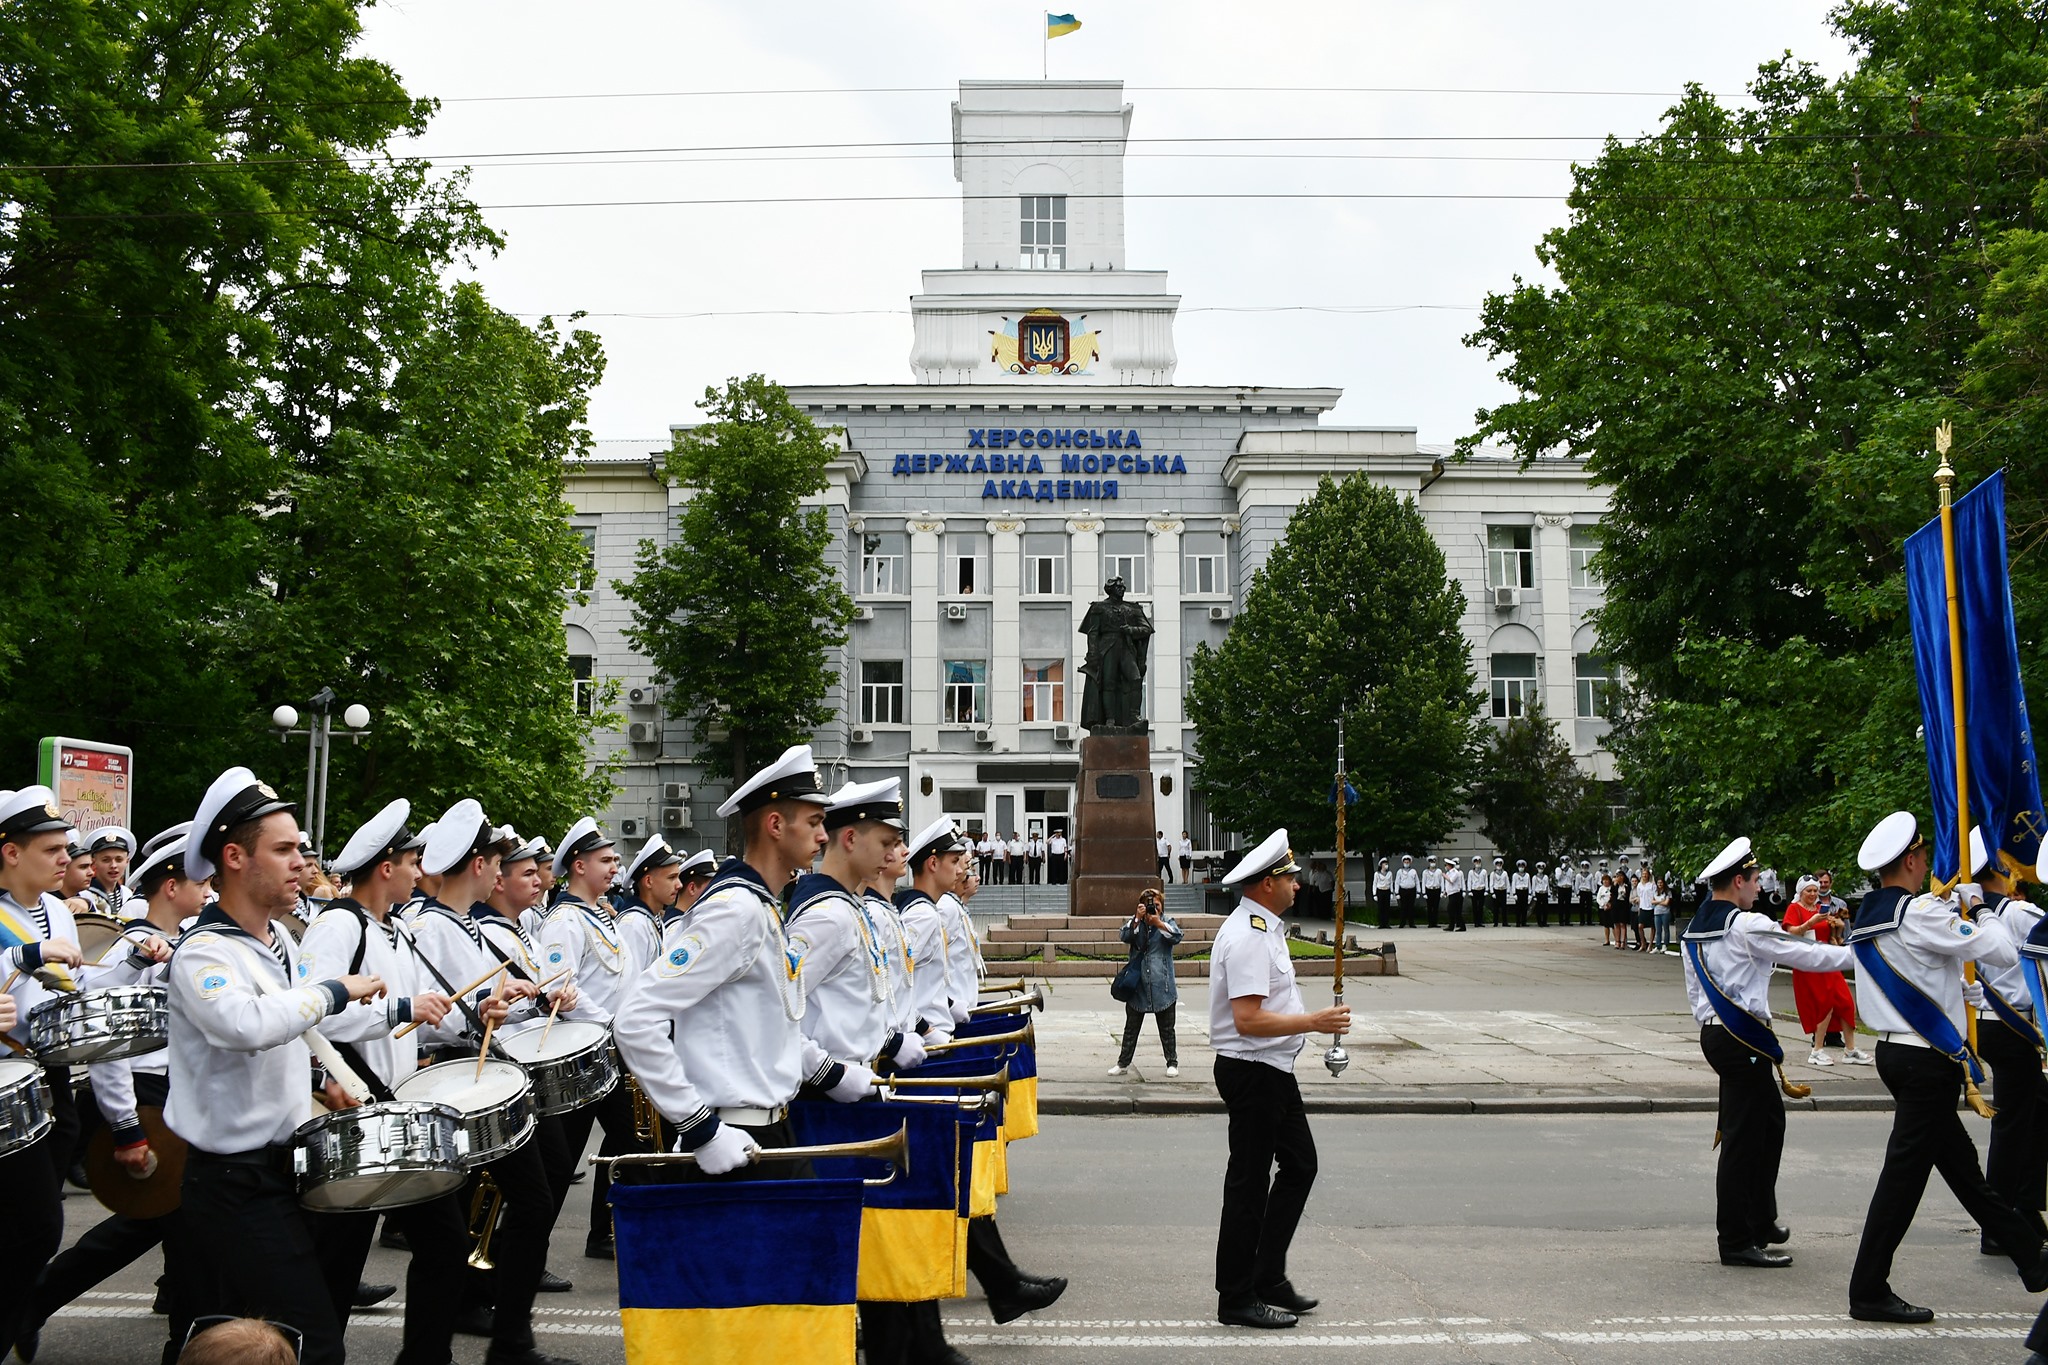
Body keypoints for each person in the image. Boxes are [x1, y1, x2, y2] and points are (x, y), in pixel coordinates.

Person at [164, 769, 388, 1365]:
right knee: (309, 1345)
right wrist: (336, 991)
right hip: (233, 1182)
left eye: (300, 849)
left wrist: (326, 1079)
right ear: (234, 857)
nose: (302, 863)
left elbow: (294, 1030)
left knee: (214, 1341)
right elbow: (246, 1025)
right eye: (284, 850)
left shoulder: (277, 943)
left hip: (280, 1170)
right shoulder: (203, 952)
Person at [1844, 811, 2048, 1324]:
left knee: (1964, 1172)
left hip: (1897, 1052)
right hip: (1924, 1061)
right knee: (1901, 1181)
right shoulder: (1921, 913)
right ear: (1912, 860)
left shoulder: (1868, 913)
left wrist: (1958, 993)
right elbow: (2002, 949)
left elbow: (1914, 976)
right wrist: (1977, 908)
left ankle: (2033, 1258)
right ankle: (1867, 1290)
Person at [407, 801, 579, 1365]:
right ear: (479, 866)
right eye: (498, 862)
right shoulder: (427, 927)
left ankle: (507, 1337)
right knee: (450, 1230)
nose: (502, 871)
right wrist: (481, 1010)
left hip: (484, 1080)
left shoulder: (469, 926)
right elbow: (420, 1019)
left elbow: (489, 995)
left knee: (530, 1199)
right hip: (450, 1083)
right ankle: (457, 1340)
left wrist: (529, 995)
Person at [299, 799, 471, 1365]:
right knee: (338, 1259)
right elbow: (312, 1012)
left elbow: (424, 1008)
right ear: (386, 866)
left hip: (395, 1107)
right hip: (353, 1105)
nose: (421, 873)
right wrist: (400, 1008)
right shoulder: (337, 924)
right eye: (413, 862)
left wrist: (485, 1008)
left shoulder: (395, 929)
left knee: (444, 1244)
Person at [1680, 836, 1853, 1270]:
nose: (1760, 888)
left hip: (1718, 1035)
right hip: (1743, 1041)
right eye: (1755, 880)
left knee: (1770, 1121)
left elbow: (1694, 993)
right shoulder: (1745, 924)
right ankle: (1736, 1239)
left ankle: (1760, 1218)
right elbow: (1804, 955)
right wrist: (1863, 954)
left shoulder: (1695, 927)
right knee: (1743, 1139)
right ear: (1738, 881)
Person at [1210, 829, 1349, 1330]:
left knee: (1300, 1165)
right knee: (1248, 1184)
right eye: (1289, 876)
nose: (1297, 883)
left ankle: (1267, 1275)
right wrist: (1314, 1022)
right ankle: (1237, 1296)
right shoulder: (1248, 935)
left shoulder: (1265, 928)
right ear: (1267, 883)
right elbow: (1247, 1020)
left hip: (1272, 1068)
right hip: (1252, 1070)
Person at [537, 817, 639, 1262]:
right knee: (560, 1161)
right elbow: (560, 989)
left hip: (609, 1052)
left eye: (614, 859)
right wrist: (613, 1026)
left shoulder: (602, 916)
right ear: (578, 866)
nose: (615, 867)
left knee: (627, 1145)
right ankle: (526, 1252)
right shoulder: (564, 920)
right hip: (580, 1054)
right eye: (605, 860)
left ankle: (607, 1232)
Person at [1970, 828, 2048, 1256]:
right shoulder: (2018, 915)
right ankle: (2001, 1224)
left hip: (1986, 1025)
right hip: (2011, 1025)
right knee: (2013, 1125)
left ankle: (2026, 1207)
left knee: (2037, 1111)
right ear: (2002, 868)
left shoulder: (1968, 911)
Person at [1781, 878, 1864, 1066]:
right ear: (1800, 892)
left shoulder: (1820, 910)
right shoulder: (1795, 909)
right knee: (1823, 1004)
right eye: (1808, 891)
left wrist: (1837, 927)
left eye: (1814, 891)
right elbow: (1791, 932)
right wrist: (1810, 923)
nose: (1812, 894)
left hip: (1827, 960)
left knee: (1846, 1001)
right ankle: (1817, 1049)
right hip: (1808, 962)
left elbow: (1832, 936)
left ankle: (1850, 1049)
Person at [1109, 886, 1181, 1077]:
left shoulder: (1166, 922)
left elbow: (1177, 936)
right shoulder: (1137, 922)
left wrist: (1158, 922)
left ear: (1162, 907)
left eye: (1157, 905)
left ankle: (1172, 1062)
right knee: (1131, 1028)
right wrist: (1137, 918)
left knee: (1167, 1029)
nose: (1153, 909)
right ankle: (1123, 1063)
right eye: (1149, 905)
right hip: (1138, 985)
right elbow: (1124, 935)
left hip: (1162, 984)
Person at [1441, 855, 1466, 933]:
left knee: (1452, 910)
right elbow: (1448, 885)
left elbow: (1451, 881)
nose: (1446, 867)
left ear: (1450, 866)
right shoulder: (1449, 873)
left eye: (1446, 865)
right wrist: (1445, 892)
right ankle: (1454, 926)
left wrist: (1445, 876)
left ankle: (1456, 926)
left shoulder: (1455, 872)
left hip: (1456, 894)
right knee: (1454, 911)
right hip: (1451, 894)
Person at [1394, 854, 1418, 929]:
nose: (1406, 863)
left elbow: (1417, 881)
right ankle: (1402, 923)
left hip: (1411, 890)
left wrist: (1418, 892)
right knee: (1403, 907)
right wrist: (1396, 892)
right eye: (1405, 862)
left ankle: (1411, 923)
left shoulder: (1413, 871)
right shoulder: (1400, 871)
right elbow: (1397, 882)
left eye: (1408, 862)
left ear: (1410, 862)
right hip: (1403, 890)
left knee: (1411, 907)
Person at [1421, 856, 1442, 929]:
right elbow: (1423, 882)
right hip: (1429, 890)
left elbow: (1441, 881)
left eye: (1434, 862)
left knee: (1436, 907)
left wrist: (1442, 891)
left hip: (1437, 889)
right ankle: (1430, 923)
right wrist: (1424, 893)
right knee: (1430, 907)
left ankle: (1435, 923)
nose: (1432, 863)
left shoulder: (1439, 871)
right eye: (1431, 862)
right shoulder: (1425, 872)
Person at [1371, 858, 1391, 929]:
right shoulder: (1377, 874)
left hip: (1387, 891)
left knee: (1387, 908)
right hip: (1380, 891)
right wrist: (1374, 894)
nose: (1386, 865)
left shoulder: (1389, 873)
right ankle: (1381, 924)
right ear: (1381, 865)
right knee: (1381, 908)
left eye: (1387, 864)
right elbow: (1374, 884)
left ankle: (1387, 923)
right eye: (1385, 864)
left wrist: (1392, 893)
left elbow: (1391, 883)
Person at [1531, 861, 1551, 929]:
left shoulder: (1545, 877)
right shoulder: (1534, 877)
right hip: (1538, 894)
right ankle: (1539, 922)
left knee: (1545, 909)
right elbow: (1533, 886)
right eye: (1540, 868)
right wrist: (1534, 895)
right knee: (1538, 909)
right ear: (1537, 869)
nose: (1541, 870)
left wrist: (1548, 893)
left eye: (1542, 869)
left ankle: (1544, 922)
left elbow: (1547, 885)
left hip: (1544, 893)